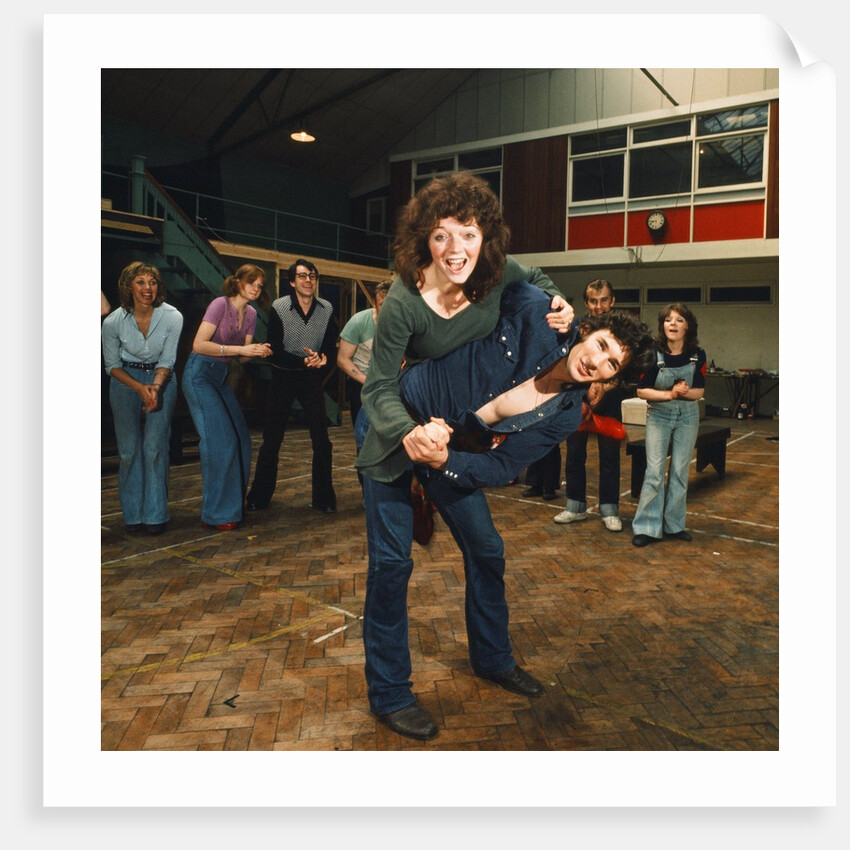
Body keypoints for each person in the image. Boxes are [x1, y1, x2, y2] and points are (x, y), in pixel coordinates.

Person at [355, 171, 574, 741]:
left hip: (449, 437)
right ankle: (390, 692)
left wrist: (560, 303)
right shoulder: (405, 299)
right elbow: (376, 387)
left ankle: (493, 658)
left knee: (486, 547)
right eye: (441, 236)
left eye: (468, 234)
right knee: (392, 564)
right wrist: (406, 434)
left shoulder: (496, 272)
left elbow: (541, 279)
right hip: (393, 434)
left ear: (487, 237)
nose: (456, 250)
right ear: (423, 240)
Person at [182, 264, 272, 531]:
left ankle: (233, 507)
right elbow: (198, 344)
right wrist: (237, 349)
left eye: (260, 285)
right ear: (238, 282)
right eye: (251, 282)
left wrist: (257, 351)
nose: (256, 288)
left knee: (242, 441)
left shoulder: (252, 313)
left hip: (221, 376)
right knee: (221, 442)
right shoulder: (219, 305)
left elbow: (242, 357)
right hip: (199, 375)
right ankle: (215, 514)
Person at [246, 259, 339, 514]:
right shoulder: (280, 306)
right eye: (302, 276)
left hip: (310, 378)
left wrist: (323, 358)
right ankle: (259, 497)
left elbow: (331, 345)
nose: (308, 280)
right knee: (271, 440)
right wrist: (304, 360)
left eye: (311, 276)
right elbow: (274, 350)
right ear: (292, 282)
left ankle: (324, 498)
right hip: (284, 375)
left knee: (322, 440)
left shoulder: (326, 308)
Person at [101, 262, 183, 534]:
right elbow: (111, 365)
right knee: (129, 450)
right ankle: (133, 516)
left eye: (152, 282)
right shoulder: (112, 321)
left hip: (163, 380)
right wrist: (138, 387)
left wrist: (156, 387)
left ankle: (156, 516)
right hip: (125, 381)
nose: (147, 288)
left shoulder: (172, 317)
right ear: (128, 286)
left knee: (154, 447)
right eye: (140, 282)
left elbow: (168, 359)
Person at [631, 303, 707, 547]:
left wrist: (685, 393)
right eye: (668, 320)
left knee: (679, 472)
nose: (673, 324)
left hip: (687, 416)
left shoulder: (698, 354)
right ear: (662, 326)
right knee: (654, 472)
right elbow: (642, 391)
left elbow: (700, 392)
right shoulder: (652, 353)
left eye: (679, 320)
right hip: (659, 416)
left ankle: (674, 525)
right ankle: (647, 527)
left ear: (688, 326)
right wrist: (670, 395)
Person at [554, 279, 627, 531]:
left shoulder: (622, 329)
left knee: (609, 456)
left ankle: (609, 510)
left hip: (610, 399)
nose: (599, 306)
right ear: (586, 303)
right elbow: (567, 361)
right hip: (578, 398)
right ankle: (575, 507)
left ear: (613, 301)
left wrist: (604, 386)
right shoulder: (578, 328)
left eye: (604, 300)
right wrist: (585, 388)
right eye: (594, 301)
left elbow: (627, 369)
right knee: (574, 453)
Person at [337, 279, 391, 428]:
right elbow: (342, 359)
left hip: (390, 383)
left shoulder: (403, 323)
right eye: (382, 305)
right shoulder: (359, 322)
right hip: (362, 383)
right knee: (363, 434)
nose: (388, 310)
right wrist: (369, 381)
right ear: (374, 303)